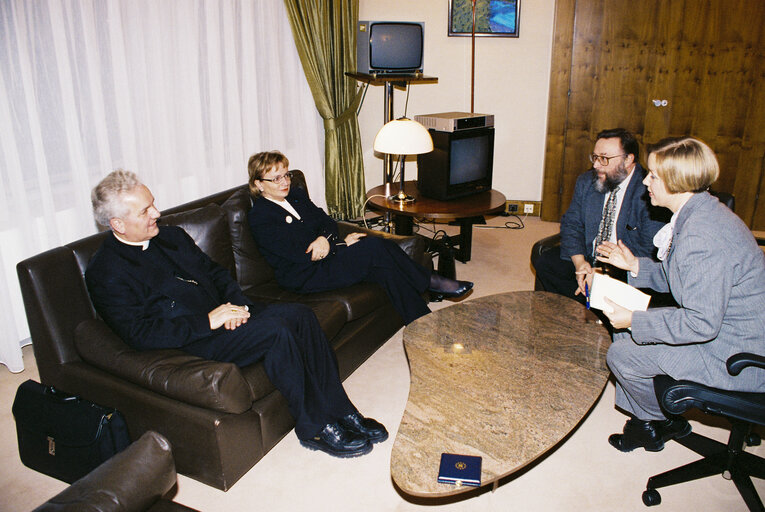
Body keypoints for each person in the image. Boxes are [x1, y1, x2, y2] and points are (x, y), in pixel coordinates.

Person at [85, 170, 387, 459]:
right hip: (191, 339)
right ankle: (315, 428)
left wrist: (237, 306)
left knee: (300, 316)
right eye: (145, 211)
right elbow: (139, 333)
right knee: (277, 332)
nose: (157, 213)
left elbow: (216, 273)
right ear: (118, 224)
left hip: (227, 316)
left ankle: (343, 411)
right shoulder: (106, 271)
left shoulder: (171, 236)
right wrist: (208, 320)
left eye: (152, 203)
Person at [594, 137, 765, 452]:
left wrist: (634, 319)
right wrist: (634, 265)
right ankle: (645, 424)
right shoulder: (699, 213)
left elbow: (701, 324)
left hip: (737, 356)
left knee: (622, 354)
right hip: (730, 332)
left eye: (655, 176)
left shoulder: (702, 236)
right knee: (624, 338)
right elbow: (682, 277)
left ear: (677, 182)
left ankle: (659, 420)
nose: (646, 180)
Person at [246, 151, 473, 325]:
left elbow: (327, 222)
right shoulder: (261, 217)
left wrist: (330, 240)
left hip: (325, 261)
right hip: (304, 275)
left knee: (385, 269)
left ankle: (423, 324)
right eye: (276, 179)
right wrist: (341, 244)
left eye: (286, 174)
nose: (285, 182)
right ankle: (431, 281)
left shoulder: (295, 195)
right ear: (258, 184)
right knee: (373, 247)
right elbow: (300, 254)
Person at [533, 128, 666, 302]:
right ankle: (586, 305)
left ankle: (594, 306)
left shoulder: (649, 192)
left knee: (613, 289)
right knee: (546, 262)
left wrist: (605, 273)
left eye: (604, 158)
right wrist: (580, 264)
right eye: (595, 157)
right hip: (590, 256)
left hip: (624, 265)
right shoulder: (587, 181)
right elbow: (571, 223)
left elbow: (648, 249)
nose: (596, 165)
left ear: (628, 160)